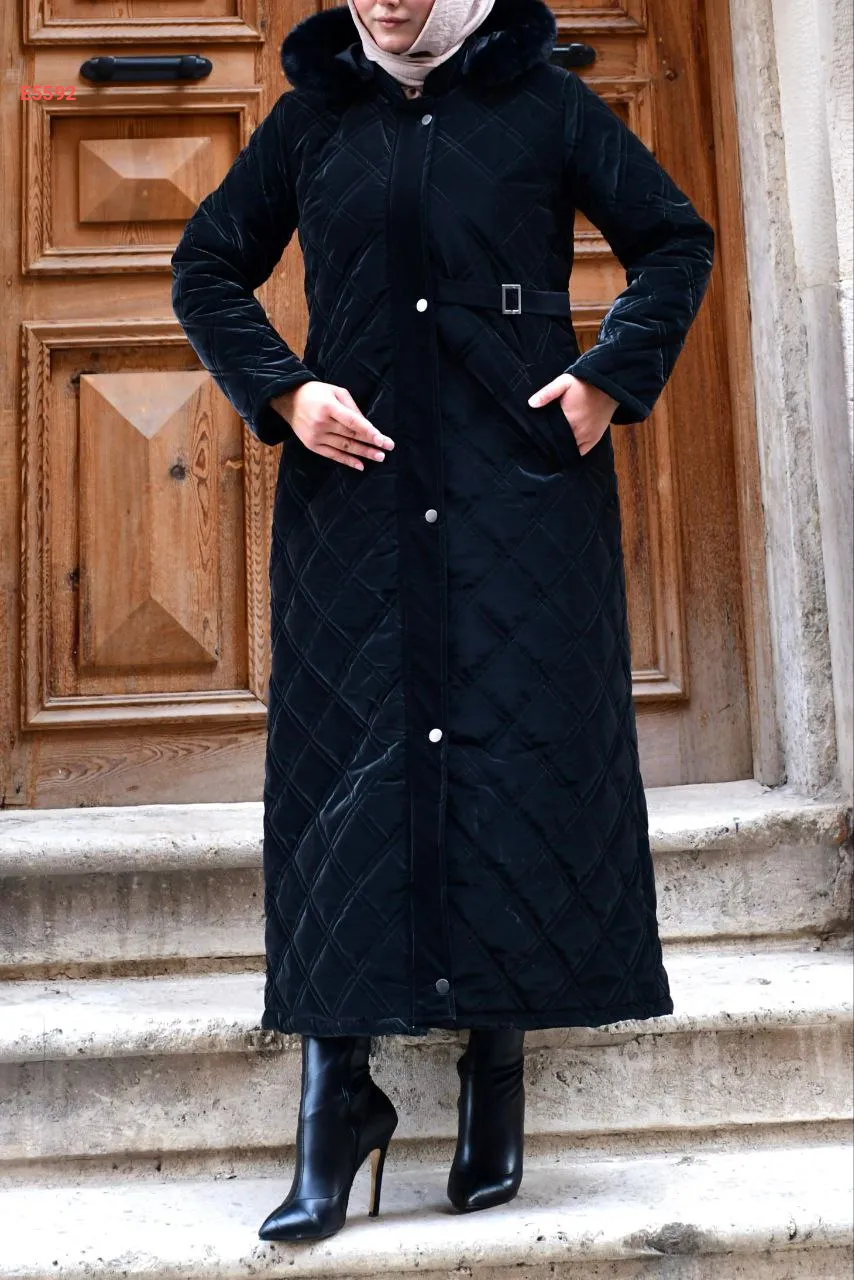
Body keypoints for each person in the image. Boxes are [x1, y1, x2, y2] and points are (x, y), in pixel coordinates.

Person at [170, 0, 715, 1244]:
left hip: (517, 496)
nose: (384, 1)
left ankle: (494, 1071)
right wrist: (285, 389)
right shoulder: (311, 119)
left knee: (509, 759)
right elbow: (205, 265)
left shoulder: (544, 103)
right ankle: (334, 1104)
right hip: (355, 506)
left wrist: (608, 375)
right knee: (342, 778)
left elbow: (671, 240)